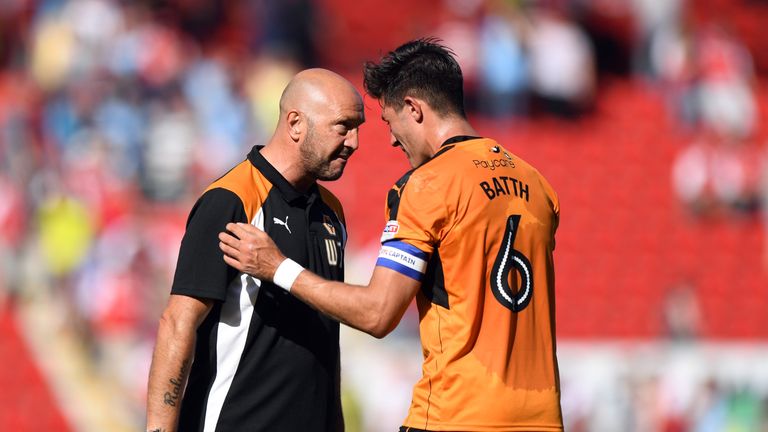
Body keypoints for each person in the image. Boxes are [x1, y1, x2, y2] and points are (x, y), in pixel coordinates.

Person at [219, 38, 563, 431]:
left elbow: (378, 313)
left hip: (457, 415)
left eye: (388, 121)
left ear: (414, 108)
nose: (391, 139)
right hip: (542, 419)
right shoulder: (537, 185)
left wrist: (278, 267)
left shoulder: (427, 185)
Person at [145, 68, 365, 432]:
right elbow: (177, 323)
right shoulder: (231, 199)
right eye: (343, 126)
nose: (354, 142)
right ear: (295, 123)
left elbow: (326, 337)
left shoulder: (332, 212)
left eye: (358, 128)